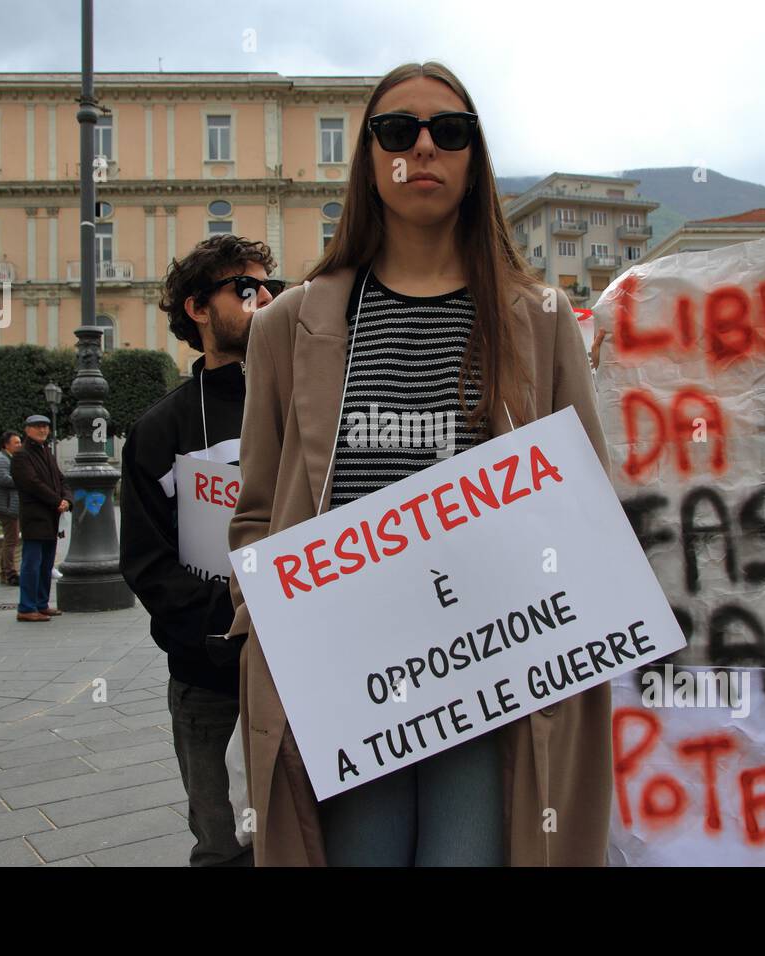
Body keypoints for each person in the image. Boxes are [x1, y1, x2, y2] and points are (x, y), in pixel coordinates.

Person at [226, 62, 612, 867]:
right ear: (369, 159)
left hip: (492, 677)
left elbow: (589, 507)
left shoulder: (539, 320)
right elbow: (257, 512)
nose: (424, 147)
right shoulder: (286, 326)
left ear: (476, 160)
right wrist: (266, 617)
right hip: (343, 679)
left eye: (451, 131)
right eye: (398, 131)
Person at [120, 234, 283, 868]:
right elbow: (148, 565)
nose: (265, 296)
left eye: (270, 283)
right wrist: (233, 623)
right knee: (224, 848)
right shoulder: (161, 430)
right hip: (209, 680)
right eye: (245, 288)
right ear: (197, 309)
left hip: (307, 667)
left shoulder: (308, 406)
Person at [10, 415, 71, 622]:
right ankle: (26, 607)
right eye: (37, 427)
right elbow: (31, 483)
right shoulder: (21, 455)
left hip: (51, 517)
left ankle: (41, 603)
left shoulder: (47, 451)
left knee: (46, 564)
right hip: (35, 516)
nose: (42, 430)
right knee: (32, 563)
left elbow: (60, 479)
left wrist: (66, 499)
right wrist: (57, 501)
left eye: (45, 426)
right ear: (27, 430)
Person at [0, 431, 22, 586]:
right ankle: (10, 573)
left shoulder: (9, 458)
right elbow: (4, 480)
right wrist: (24, 479)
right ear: (6, 445)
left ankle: (5, 573)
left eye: (20, 442)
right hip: (6, 506)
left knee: (10, 539)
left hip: (8, 505)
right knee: (11, 540)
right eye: (16, 443)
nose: (19, 445)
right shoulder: (1, 460)